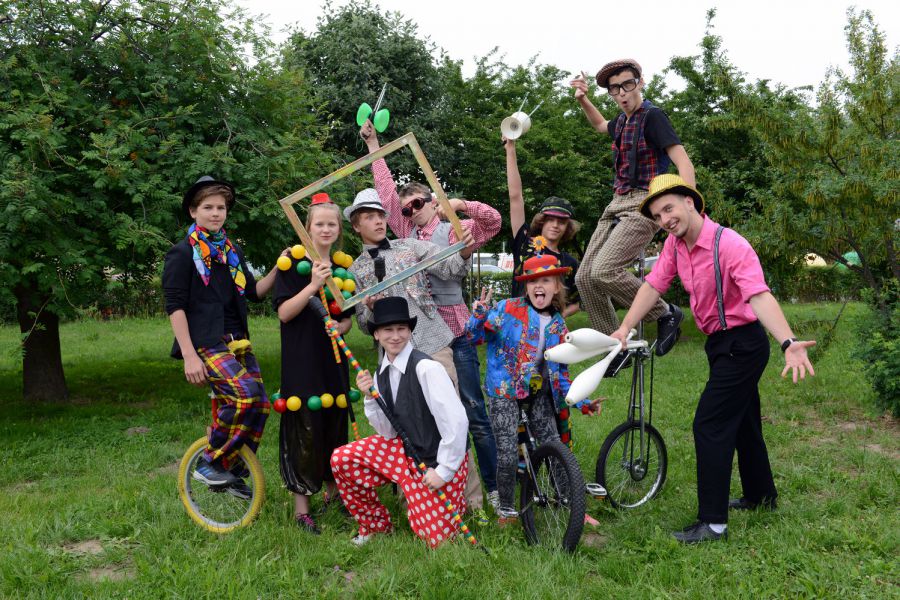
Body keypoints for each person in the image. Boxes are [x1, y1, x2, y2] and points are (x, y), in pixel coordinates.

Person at [609, 174, 816, 544]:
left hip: (744, 345)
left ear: (690, 201)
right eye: (657, 215)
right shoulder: (675, 246)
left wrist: (788, 341)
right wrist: (624, 327)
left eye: (669, 208)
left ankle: (713, 523)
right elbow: (653, 286)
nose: (665, 219)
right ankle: (760, 495)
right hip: (718, 344)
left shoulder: (729, 244)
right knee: (744, 421)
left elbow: (758, 295)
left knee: (710, 424)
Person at [361, 120, 501, 520]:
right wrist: (373, 143)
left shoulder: (454, 227)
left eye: (418, 203)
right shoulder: (405, 233)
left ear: (431, 201)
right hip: (423, 332)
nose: (411, 211)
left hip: (456, 332)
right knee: (429, 412)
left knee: (471, 412)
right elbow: (386, 193)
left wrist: (459, 205)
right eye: (407, 209)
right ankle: (429, 488)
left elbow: (493, 222)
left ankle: (492, 489)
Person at [569, 59, 694, 366]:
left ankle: (665, 312)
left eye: (627, 85)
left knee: (604, 271)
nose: (622, 93)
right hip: (617, 202)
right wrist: (583, 100)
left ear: (640, 83)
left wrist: (689, 207)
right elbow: (601, 126)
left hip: (644, 202)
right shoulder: (622, 122)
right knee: (585, 278)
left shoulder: (653, 117)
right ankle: (615, 348)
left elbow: (683, 162)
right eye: (615, 89)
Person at [162, 175, 277, 497]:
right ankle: (210, 462)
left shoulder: (231, 251)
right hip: (205, 342)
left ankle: (232, 471)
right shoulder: (182, 253)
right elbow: (175, 307)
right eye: (208, 207)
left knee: (261, 404)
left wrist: (280, 267)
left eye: (221, 208)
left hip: (236, 339)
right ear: (193, 211)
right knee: (245, 394)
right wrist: (189, 356)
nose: (216, 213)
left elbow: (254, 292)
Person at [466, 254, 599, 524]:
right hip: (503, 392)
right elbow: (474, 337)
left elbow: (560, 375)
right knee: (506, 452)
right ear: (526, 287)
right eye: (532, 281)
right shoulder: (507, 309)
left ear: (557, 286)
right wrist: (479, 315)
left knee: (555, 447)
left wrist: (582, 402)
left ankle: (569, 504)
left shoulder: (559, 325)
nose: (539, 286)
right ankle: (507, 510)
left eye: (546, 280)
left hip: (537, 392)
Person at [330, 297, 469, 548]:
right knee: (343, 459)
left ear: (409, 331)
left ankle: (436, 507)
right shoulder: (380, 372)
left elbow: (456, 423)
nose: (395, 336)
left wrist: (443, 471)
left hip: (435, 458)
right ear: (376, 334)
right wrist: (370, 397)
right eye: (388, 330)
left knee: (437, 541)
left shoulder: (427, 368)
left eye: (401, 329)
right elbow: (387, 431)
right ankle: (376, 526)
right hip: (403, 452)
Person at [273, 193, 354, 534]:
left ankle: (334, 495)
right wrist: (314, 285)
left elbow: (347, 317)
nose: (325, 229)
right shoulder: (292, 264)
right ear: (307, 227)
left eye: (331, 224)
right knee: (304, 429)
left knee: (334, 425)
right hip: (302, 358)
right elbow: (284, 312)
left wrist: (341, 327)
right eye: (319, 224)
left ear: (338, 229)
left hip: (331, 359)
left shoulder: (342, 268)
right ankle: (301, 509)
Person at [345, 188, 473, 385]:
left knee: (445, 402)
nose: (378, 221)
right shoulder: (354, 271)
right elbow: (363, 325)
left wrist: (464, 252)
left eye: (381, 215)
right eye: (370, 217)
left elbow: (450, 268)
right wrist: (371, 309)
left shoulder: (410, 245)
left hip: (433, 344)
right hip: (394, 356)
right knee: (405, 405)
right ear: (356, 226)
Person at [503, 135, 581, 317]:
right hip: (517, 324)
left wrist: (559, 317)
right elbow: (515, 197)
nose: (555, 225)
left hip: (550, 330)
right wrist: (510, 149)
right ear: (541, 221)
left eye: (561, 222)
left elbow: (581, 300)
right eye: (550, 220)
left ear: (568, 227)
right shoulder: (524, 243)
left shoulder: (570, 263)